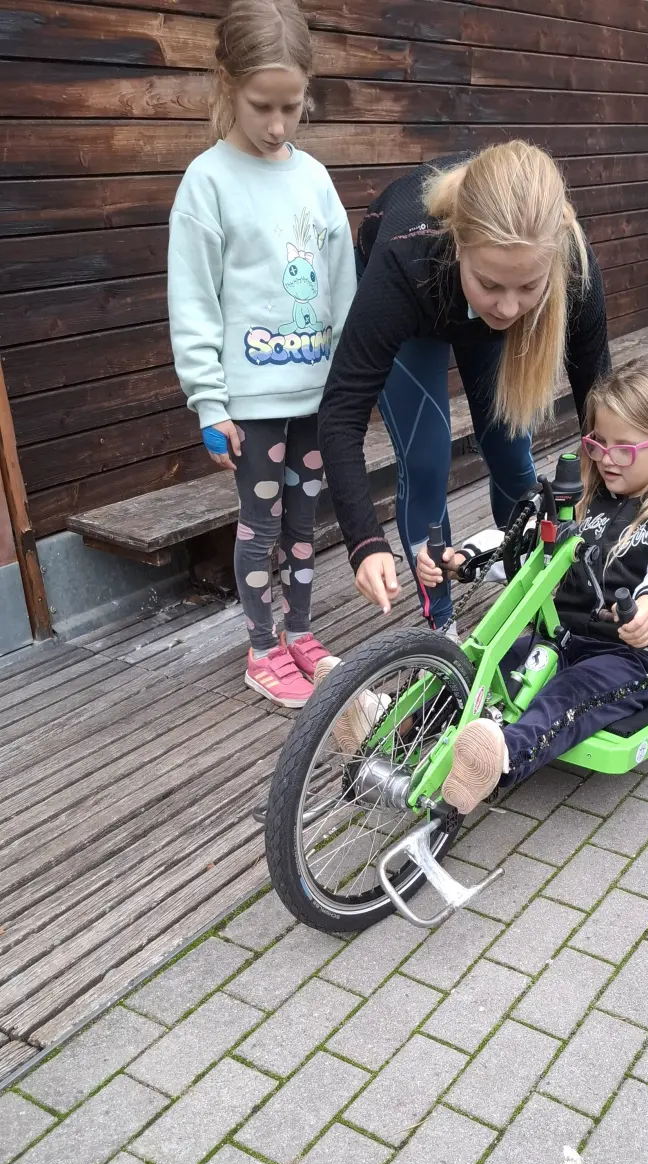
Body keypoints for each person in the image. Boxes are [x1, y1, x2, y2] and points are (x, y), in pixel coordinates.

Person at [316, 140, 611, 632]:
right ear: (458, 244)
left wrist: (616, 510)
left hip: (465, 296)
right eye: (491, 284)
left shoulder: (572, 261)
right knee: (426, 459)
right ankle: (442, 628)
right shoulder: (405, 259)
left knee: (511, 450)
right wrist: (365, 542)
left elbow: (600, 406)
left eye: (529, 286)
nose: (509, 308)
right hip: (420, 300)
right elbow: (341, 410)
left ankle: (527, 589)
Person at [417, 359, 648, 811]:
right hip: (558, 639)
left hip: (624, 658)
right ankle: (391, 721)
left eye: (624, 449)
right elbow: (522, 544)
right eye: (598, 444)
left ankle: (499, 757)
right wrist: (465, 559)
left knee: (568, 694)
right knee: (475, 669)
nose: (606, 459)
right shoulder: (582, 501)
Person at [167, 0, 355, 708]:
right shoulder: (207, 182)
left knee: (307, 521)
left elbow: (343, 286)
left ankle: (299, 632)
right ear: (227, 83)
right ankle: (262, 646)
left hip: (316, 396)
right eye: (262, 107)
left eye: (291, 107)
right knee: (260, 522)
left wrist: (350, 384)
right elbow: (194, 301)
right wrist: (209, 403)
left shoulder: (314, 179)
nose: (278, 125)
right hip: (251, 403)